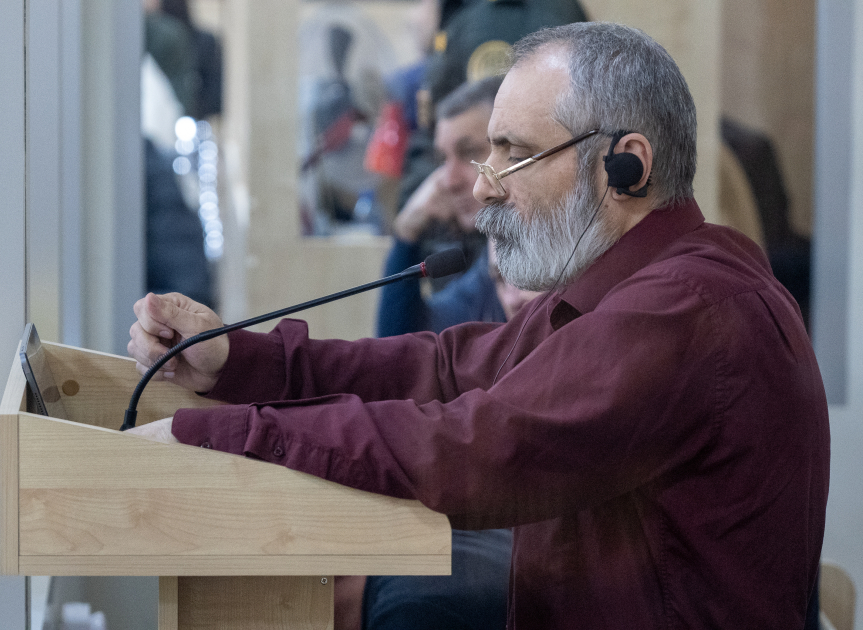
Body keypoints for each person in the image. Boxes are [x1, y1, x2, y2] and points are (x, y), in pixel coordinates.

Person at [127, 23, 829, 630]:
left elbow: (474, 448)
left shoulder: (683, 310)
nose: (486, 184)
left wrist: (224, 436)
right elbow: (447, 369)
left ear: (627, 166)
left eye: (512, 153)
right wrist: (240, 364)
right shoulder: (638, 287)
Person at [377, 77, 503, 337]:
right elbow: (400, 345)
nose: (447, 182)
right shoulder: (489, 262)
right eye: (443, 159)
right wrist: (406, 234)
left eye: (468, 153)